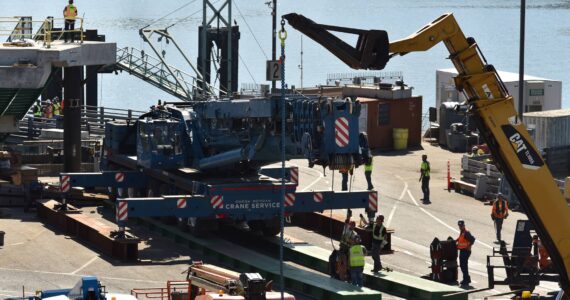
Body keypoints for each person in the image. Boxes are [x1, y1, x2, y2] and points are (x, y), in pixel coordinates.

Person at [456, 219, 475, 285]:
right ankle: (467, 279)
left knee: (463, 265)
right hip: (462, 250)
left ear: (464, 225)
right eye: (459, 226)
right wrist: (455, 240)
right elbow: (460, 238)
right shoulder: (462, 232)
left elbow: (473, 239)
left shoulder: (466, 232)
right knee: (463, 265)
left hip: (466, 251)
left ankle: (466, 279)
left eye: (461, 226)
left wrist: (468, 246)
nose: (460, 227)